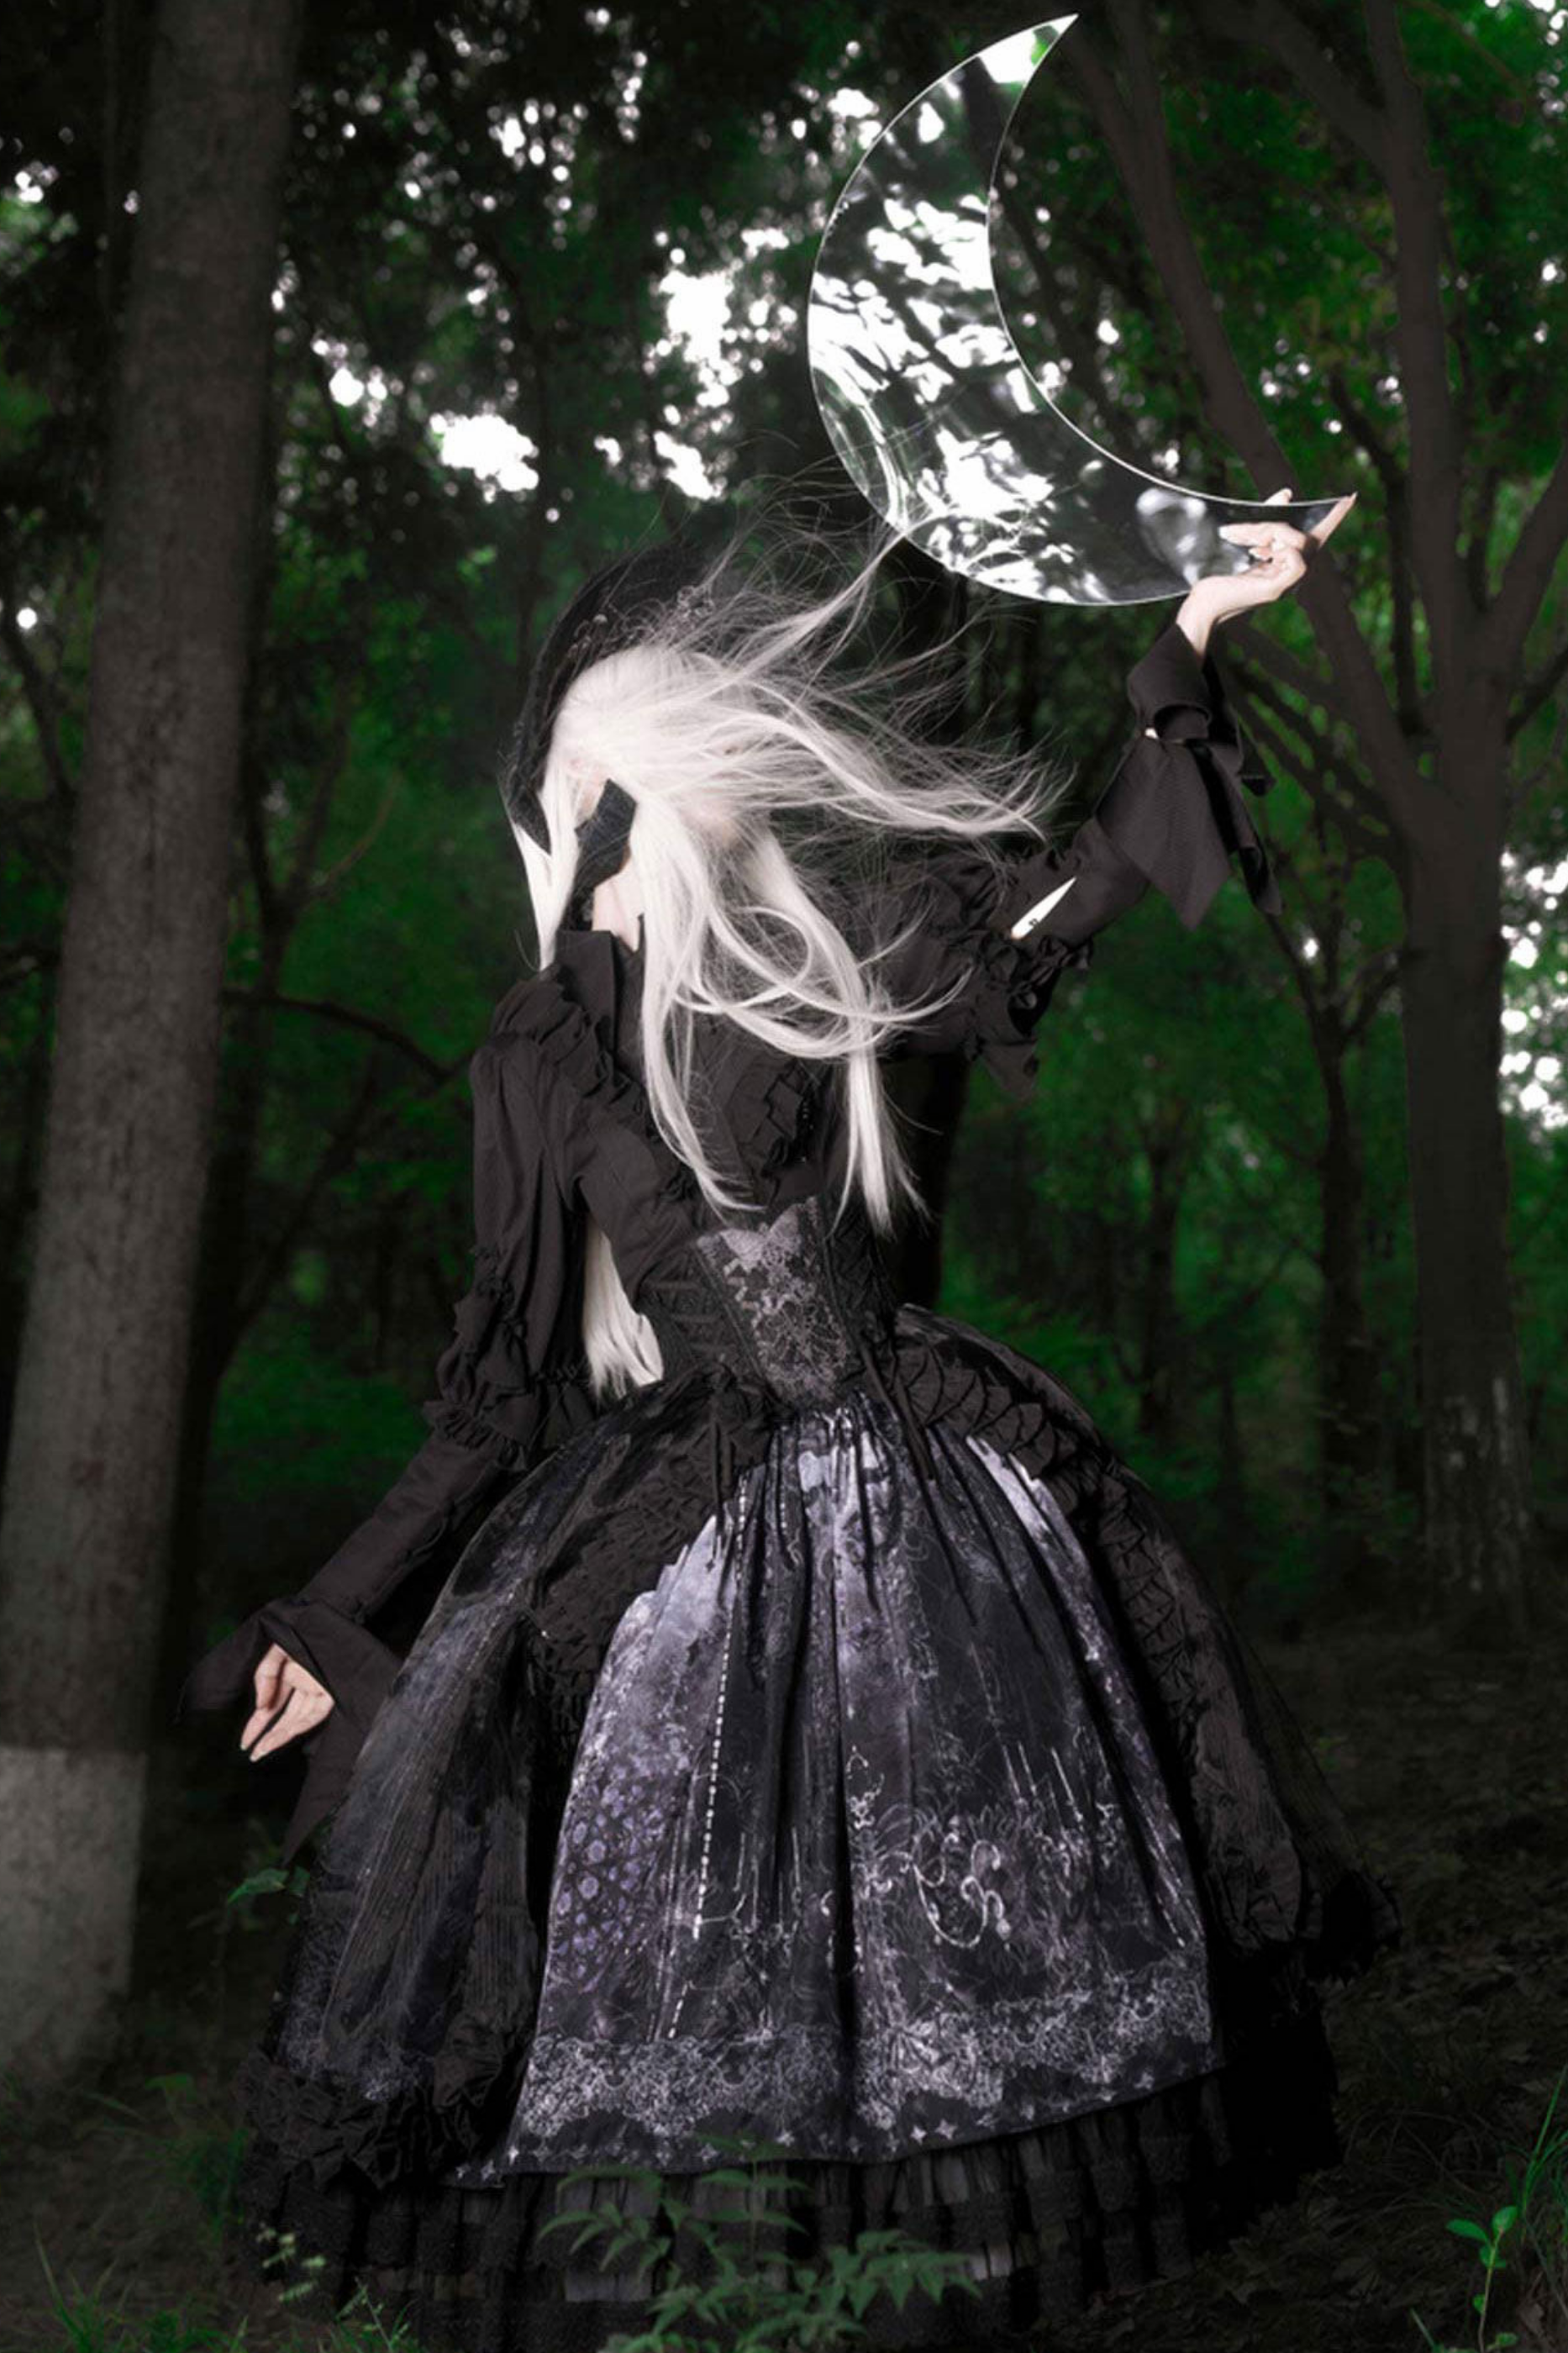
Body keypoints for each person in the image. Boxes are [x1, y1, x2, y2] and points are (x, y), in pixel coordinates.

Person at [182, 489, 1398, 2351]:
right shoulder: (543, 1047)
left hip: (924, 1502)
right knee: (676, 1971)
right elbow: (491, 1400)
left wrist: (1195, 635)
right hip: (677, 1528)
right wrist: (326, 1614)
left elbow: (1084, 883)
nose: (756, 757)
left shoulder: (832, 939)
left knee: (940, 1962)